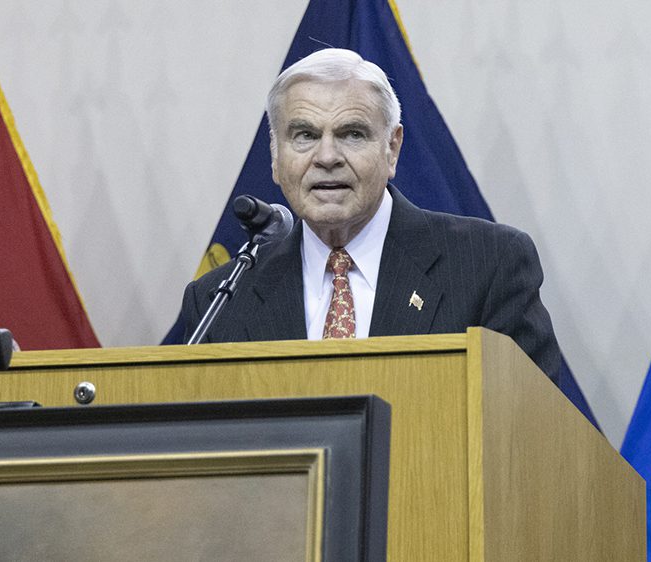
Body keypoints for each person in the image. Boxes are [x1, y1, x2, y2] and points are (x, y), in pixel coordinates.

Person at [181, 48, 561, 384]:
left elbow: (528, 439)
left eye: (352, 134)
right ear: (276, 158)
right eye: (304, 135)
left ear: (392, 149)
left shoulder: (489, 264)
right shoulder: (219, 302)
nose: (327, 157)